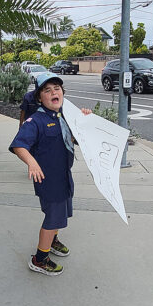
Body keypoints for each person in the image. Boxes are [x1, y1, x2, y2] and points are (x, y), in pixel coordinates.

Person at [9, 72, 91, 276]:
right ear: (39, 98)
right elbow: (19, 145)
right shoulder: (36, 121)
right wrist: (32, 162)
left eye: (57, 88)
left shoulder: (65, 115)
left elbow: (75, 138)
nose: (54, 92)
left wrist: (85, 120)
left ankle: (52, 242)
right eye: (47, 90)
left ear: (63, 93)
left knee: (62, 213)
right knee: (53, 218)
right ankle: (40, 259)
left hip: (64, 177)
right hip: (49, 180)